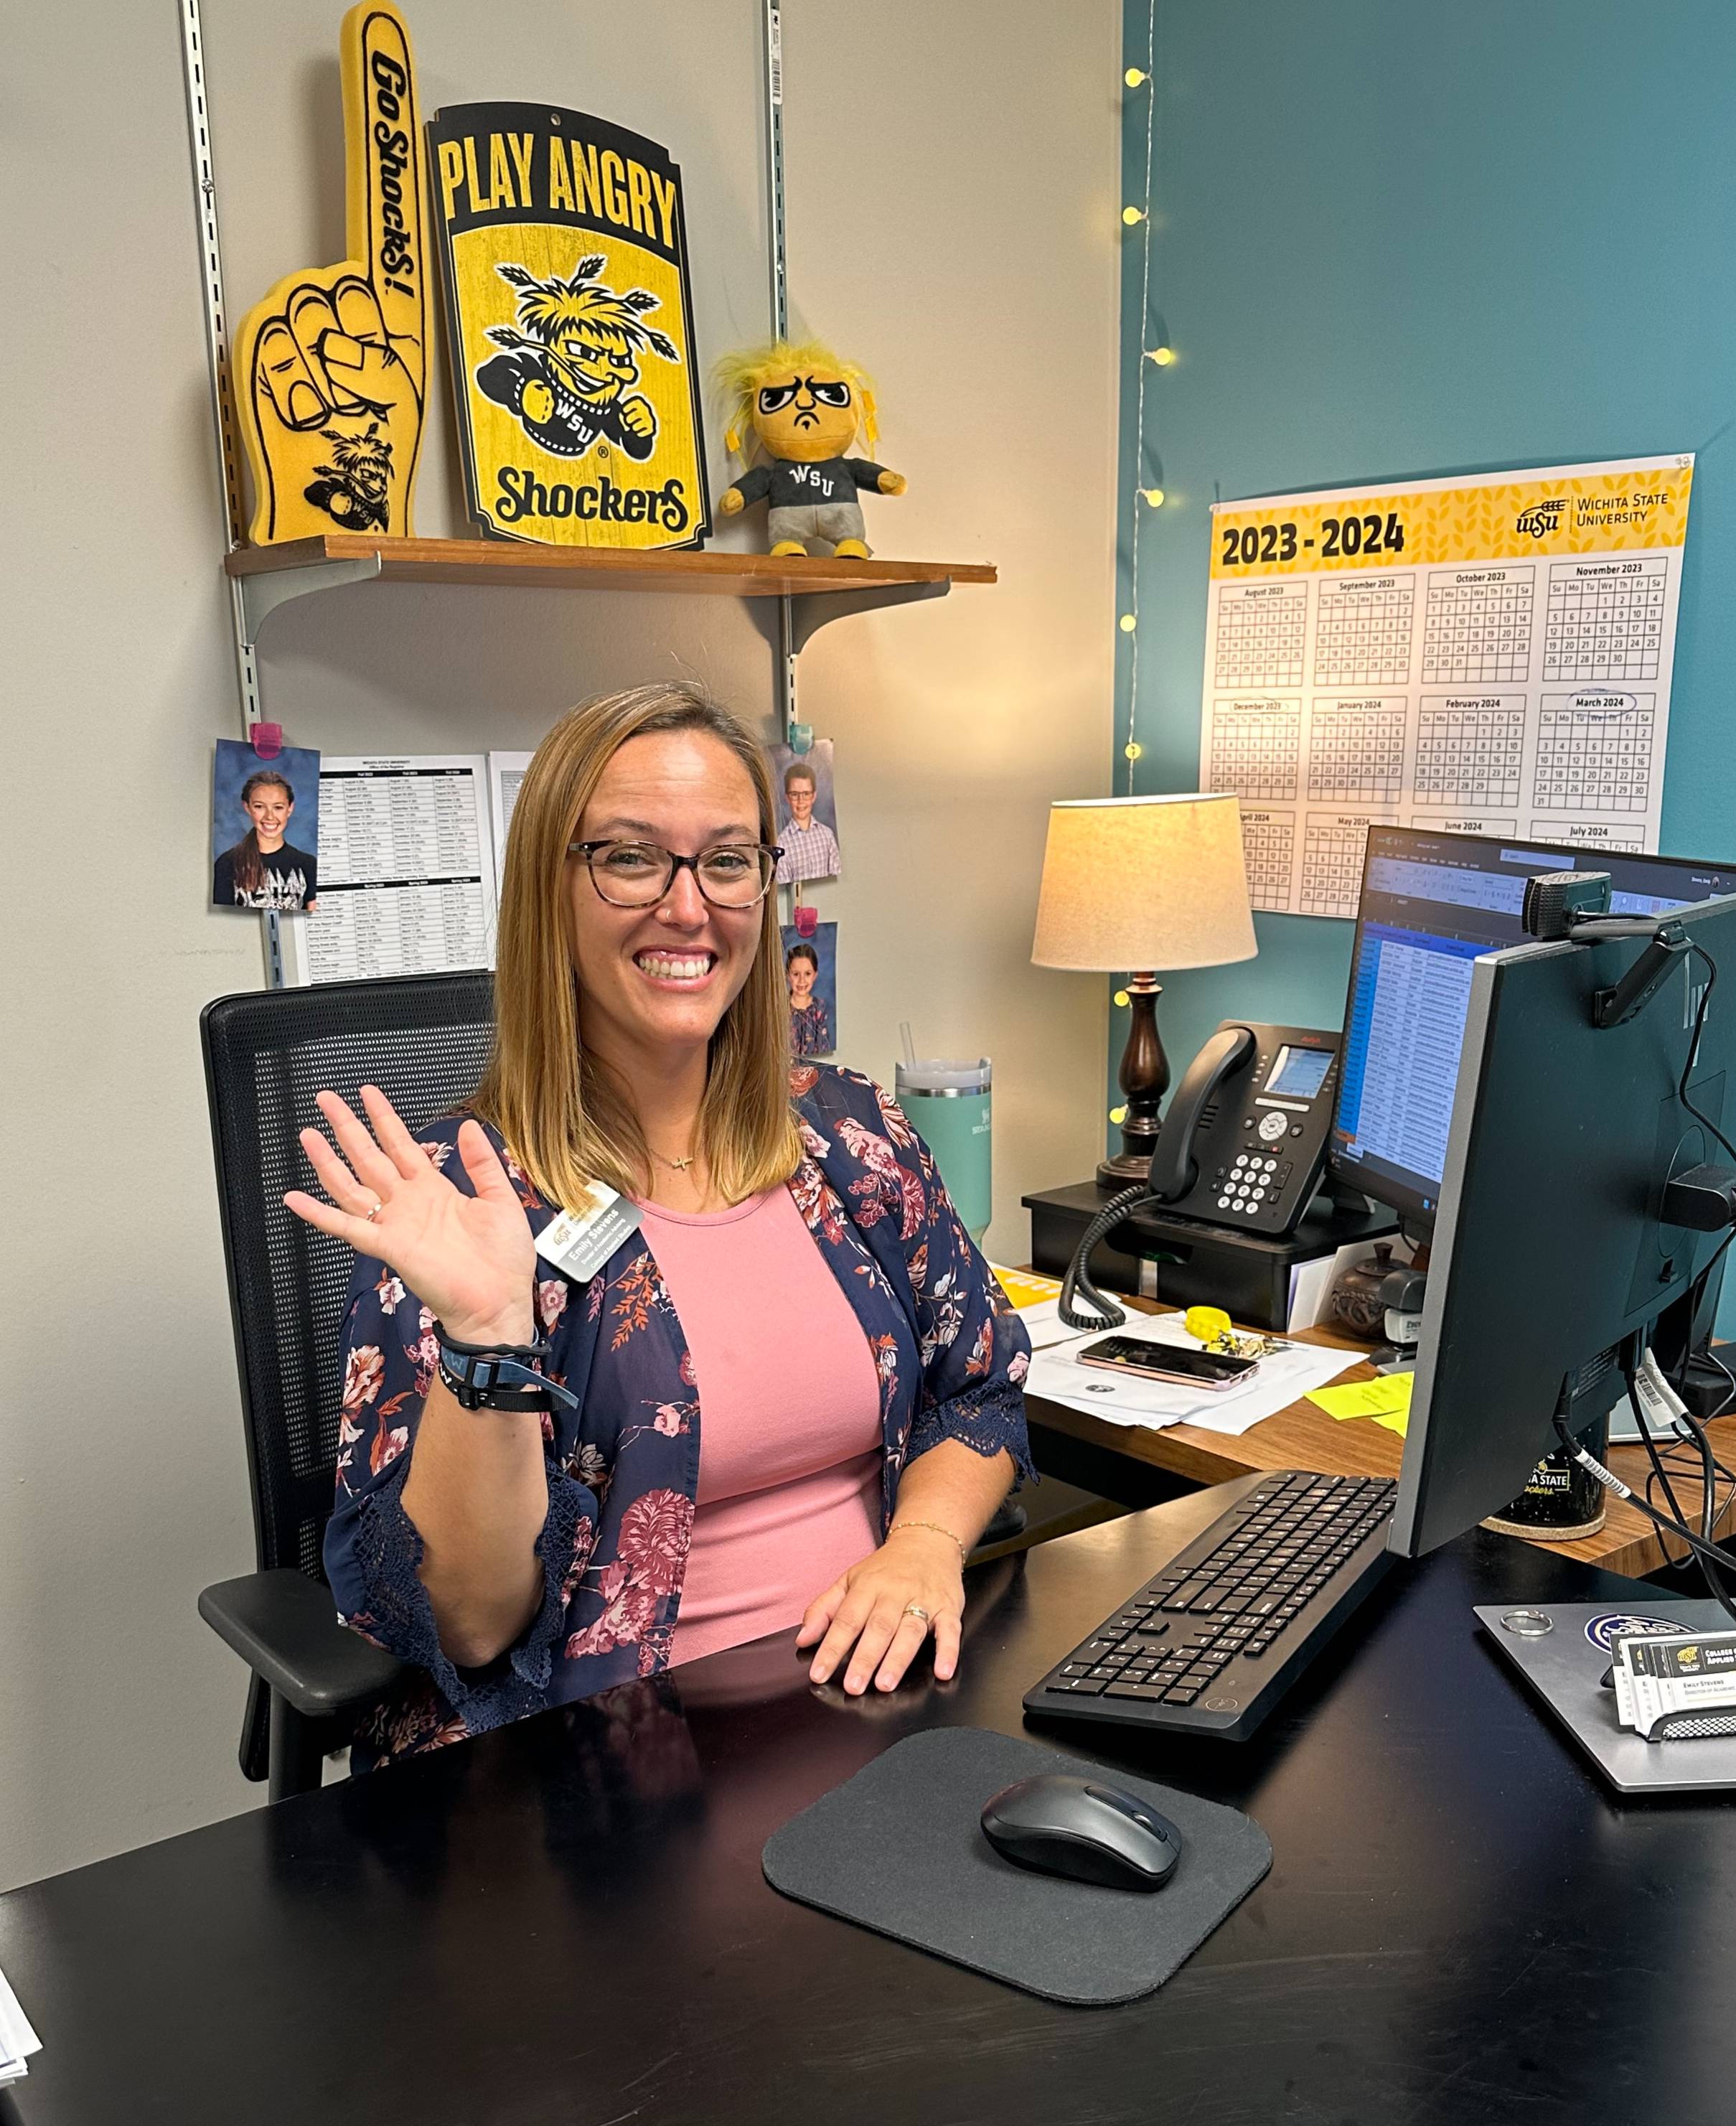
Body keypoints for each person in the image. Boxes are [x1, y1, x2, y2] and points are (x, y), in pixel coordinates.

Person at [286, 683, 1031, 1766]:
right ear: (553, 889)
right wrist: (486, 1344)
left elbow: (981, 1383)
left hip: (881, 1711)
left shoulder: (850, 1132)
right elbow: (471, 1625)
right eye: (631, 857)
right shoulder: (467, 1201)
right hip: (603, 1780)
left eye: (727, 860)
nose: (689, 907)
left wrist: (921, 1544)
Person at [212, 769, 319, 912]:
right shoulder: (227, 863)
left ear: (290, 808)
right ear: (247, 807)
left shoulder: (308, 864)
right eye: (259, 806)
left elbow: (311, 915)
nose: (270, 816)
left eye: (278, 807)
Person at [773, 758, 840, 885]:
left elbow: (835, 874)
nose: (801, 801)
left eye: (806, 794)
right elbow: (783, 882)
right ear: (787, 797)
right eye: (794, 794)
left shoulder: (827, 834)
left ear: (814, 796)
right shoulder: (781, 843)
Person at [785, 940, 831, 1058]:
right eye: (796, 974)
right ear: (788, 975)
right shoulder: (780, 1008)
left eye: (808, 974)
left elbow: (823, 1046)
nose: (802, 981)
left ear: (815, 975)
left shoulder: (820, 1007)